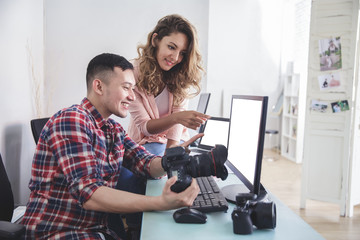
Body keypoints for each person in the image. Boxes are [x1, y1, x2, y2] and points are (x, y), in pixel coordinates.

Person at [21, 53, 201, 239]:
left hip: (95, 229)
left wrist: (173, 159)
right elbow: (90, 194)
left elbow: (146, 165)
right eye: (126, 88)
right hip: (58, 231)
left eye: (133, 89)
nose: (132, 97)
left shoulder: (113, 129)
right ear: (98, 86)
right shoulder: (72, 119)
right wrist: (160, 202)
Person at [128, 14, 209, 156]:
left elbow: (175, 133)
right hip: (144, 142)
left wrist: (171, 154)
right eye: (171, 47)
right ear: (155, 40)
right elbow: (145, 127)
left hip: (174, 141)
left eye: (182, 53)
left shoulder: (180, 75)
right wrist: (176, 118)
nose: (176, 58)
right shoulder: (132, 74)